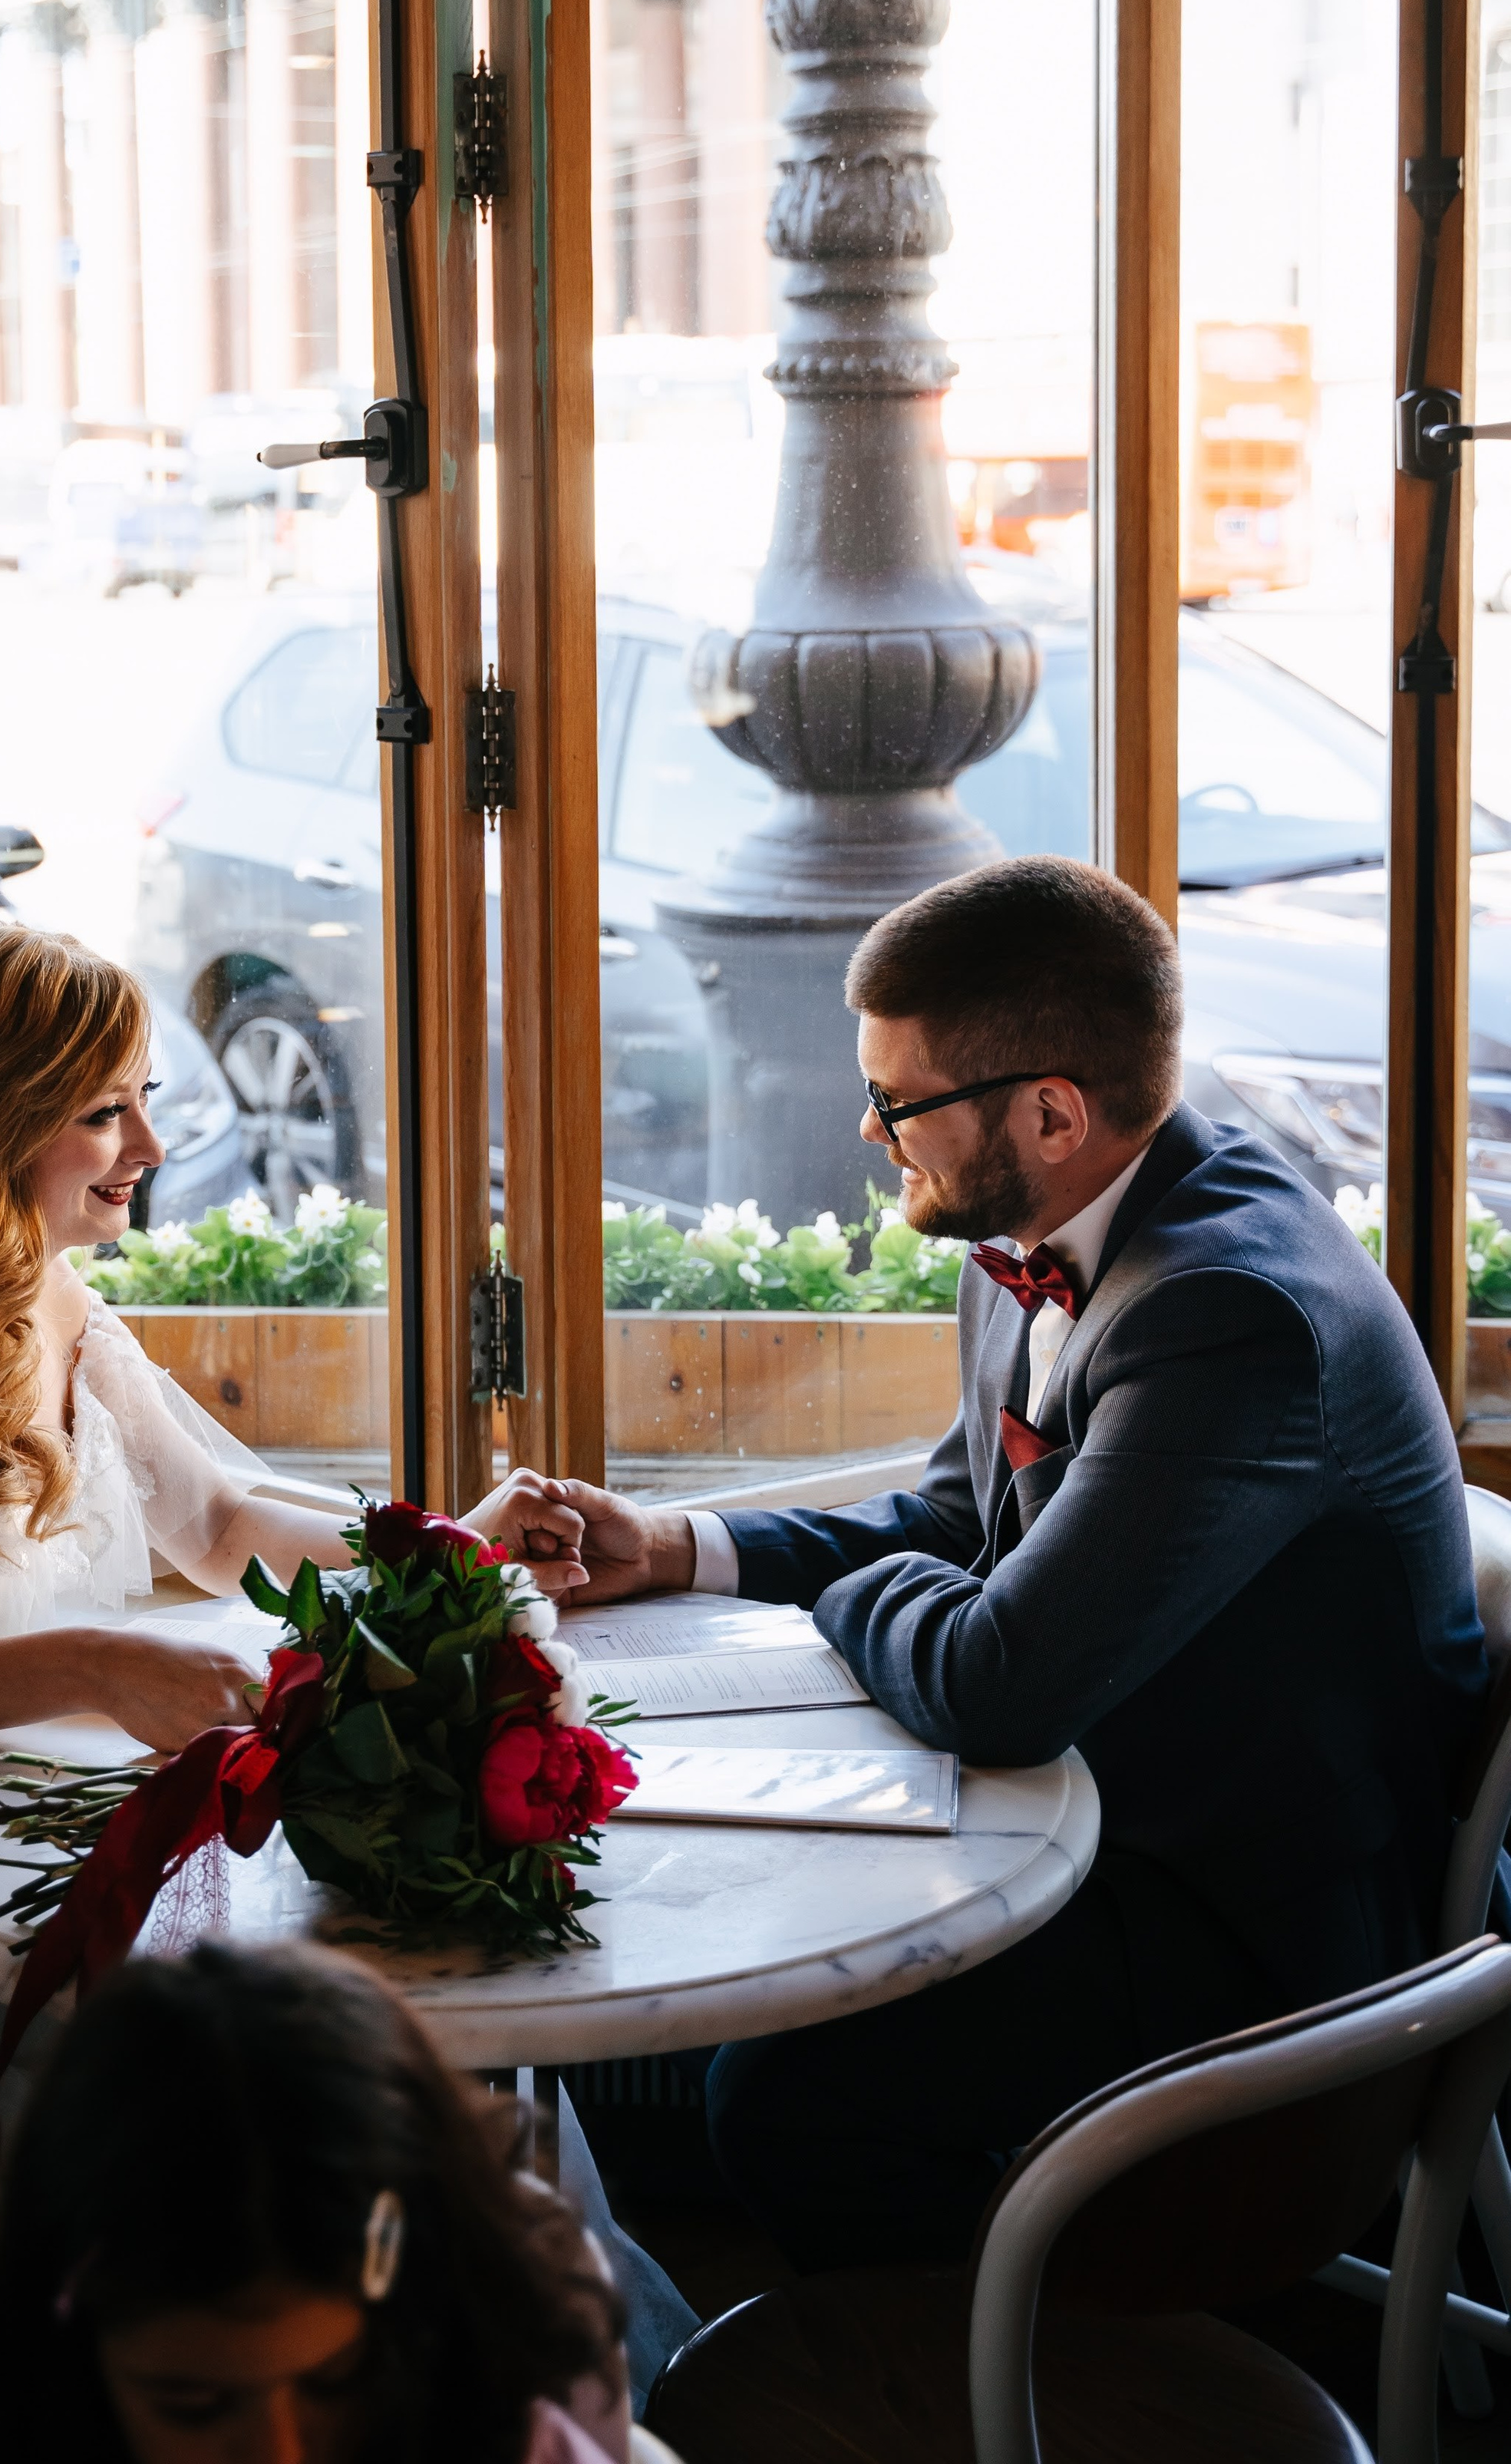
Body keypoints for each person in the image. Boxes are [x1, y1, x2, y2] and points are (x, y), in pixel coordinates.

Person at [530, 855, 1491, 2271]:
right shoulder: (1072, 1224)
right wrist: (679, 1545)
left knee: (784, 2097)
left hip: (1258, 1935)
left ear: (1051, 1112)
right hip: (1127, 1814)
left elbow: (997, 1685)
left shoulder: (1229, 1313)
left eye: (898, 1101)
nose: (868, 1130)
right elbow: (958, 1525)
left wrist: (860, 1601)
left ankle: (1008, 2364)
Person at [0, 920, 583, 2176]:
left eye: (144, 1098)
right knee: (274, 2097)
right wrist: (92, 1666)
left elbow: (222, 1524)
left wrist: (450, 1550)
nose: (152, 1145)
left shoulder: (53, 1294)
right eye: (102, 1113)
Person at [0, 1937, 640, 2464]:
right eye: (193, 2407)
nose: (278, 2455)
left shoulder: (505, 2378)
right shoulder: (7, 2404)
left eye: (335, 2382)